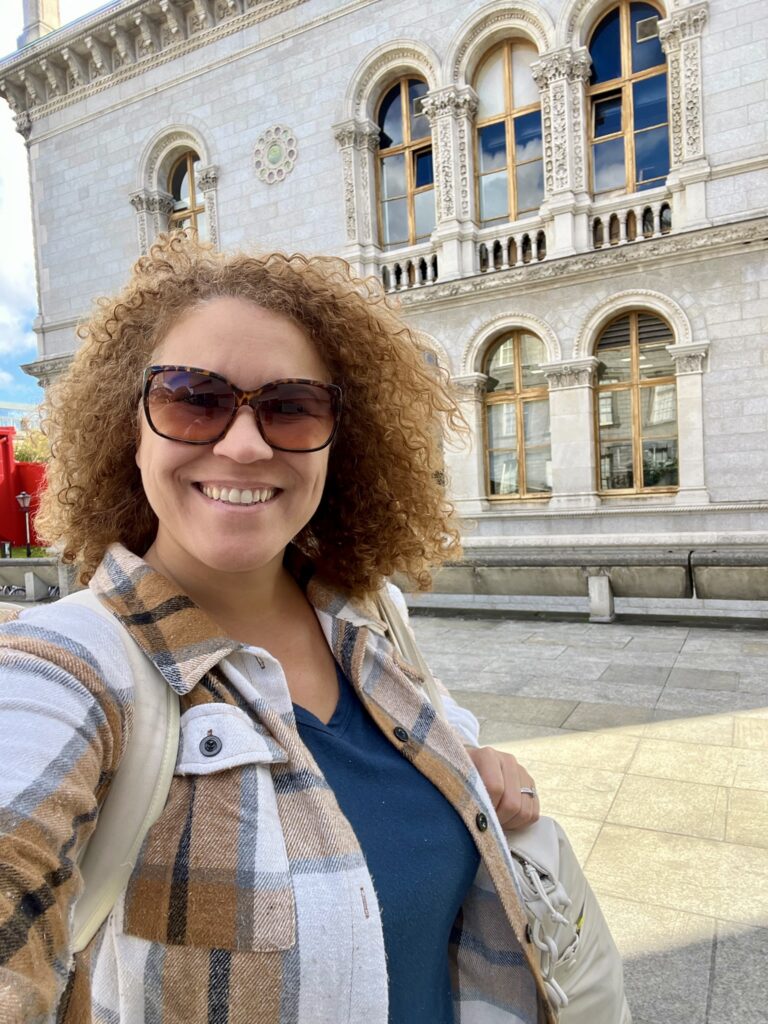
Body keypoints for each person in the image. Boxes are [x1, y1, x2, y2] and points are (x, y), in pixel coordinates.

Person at [0, 234, 551, 1024]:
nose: (244, 444)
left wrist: (476, 772)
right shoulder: (66, 665)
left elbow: (440, 745)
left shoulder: (368, 616)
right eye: (193, 398)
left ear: (339, 441)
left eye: (291, 407)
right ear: (132, 429)